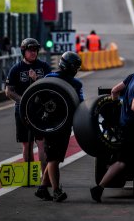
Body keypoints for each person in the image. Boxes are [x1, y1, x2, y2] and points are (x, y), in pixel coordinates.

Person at [90, 55, 134, 204]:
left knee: (122, 161)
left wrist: (116, 110)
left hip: (124, 126)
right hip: (133, 128)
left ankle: (98, 189)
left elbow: (115, 91)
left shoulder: (132, 77)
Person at [35, 51, 84, 202]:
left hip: (49, 123)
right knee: (54, 158)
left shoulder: (48, 78)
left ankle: (43, 188)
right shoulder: (75, 84)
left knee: (54, 157)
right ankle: (56, 190)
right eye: (75, 67)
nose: (76, 70)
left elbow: (37, 98)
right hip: (61, 124)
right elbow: (80, 104)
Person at [5, 37, 51, 174]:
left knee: (41, 143)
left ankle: (45, 178)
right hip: (22, 110)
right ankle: (30, 176)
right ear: (23, 51)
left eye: (35, 50)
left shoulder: (44, 67)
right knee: (26, 144)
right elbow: (8, 91)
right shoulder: (16, 69)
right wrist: (23, 101)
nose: (33, 53)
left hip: (40, 110)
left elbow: (51, 86)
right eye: (30, 50)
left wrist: (37, 80)